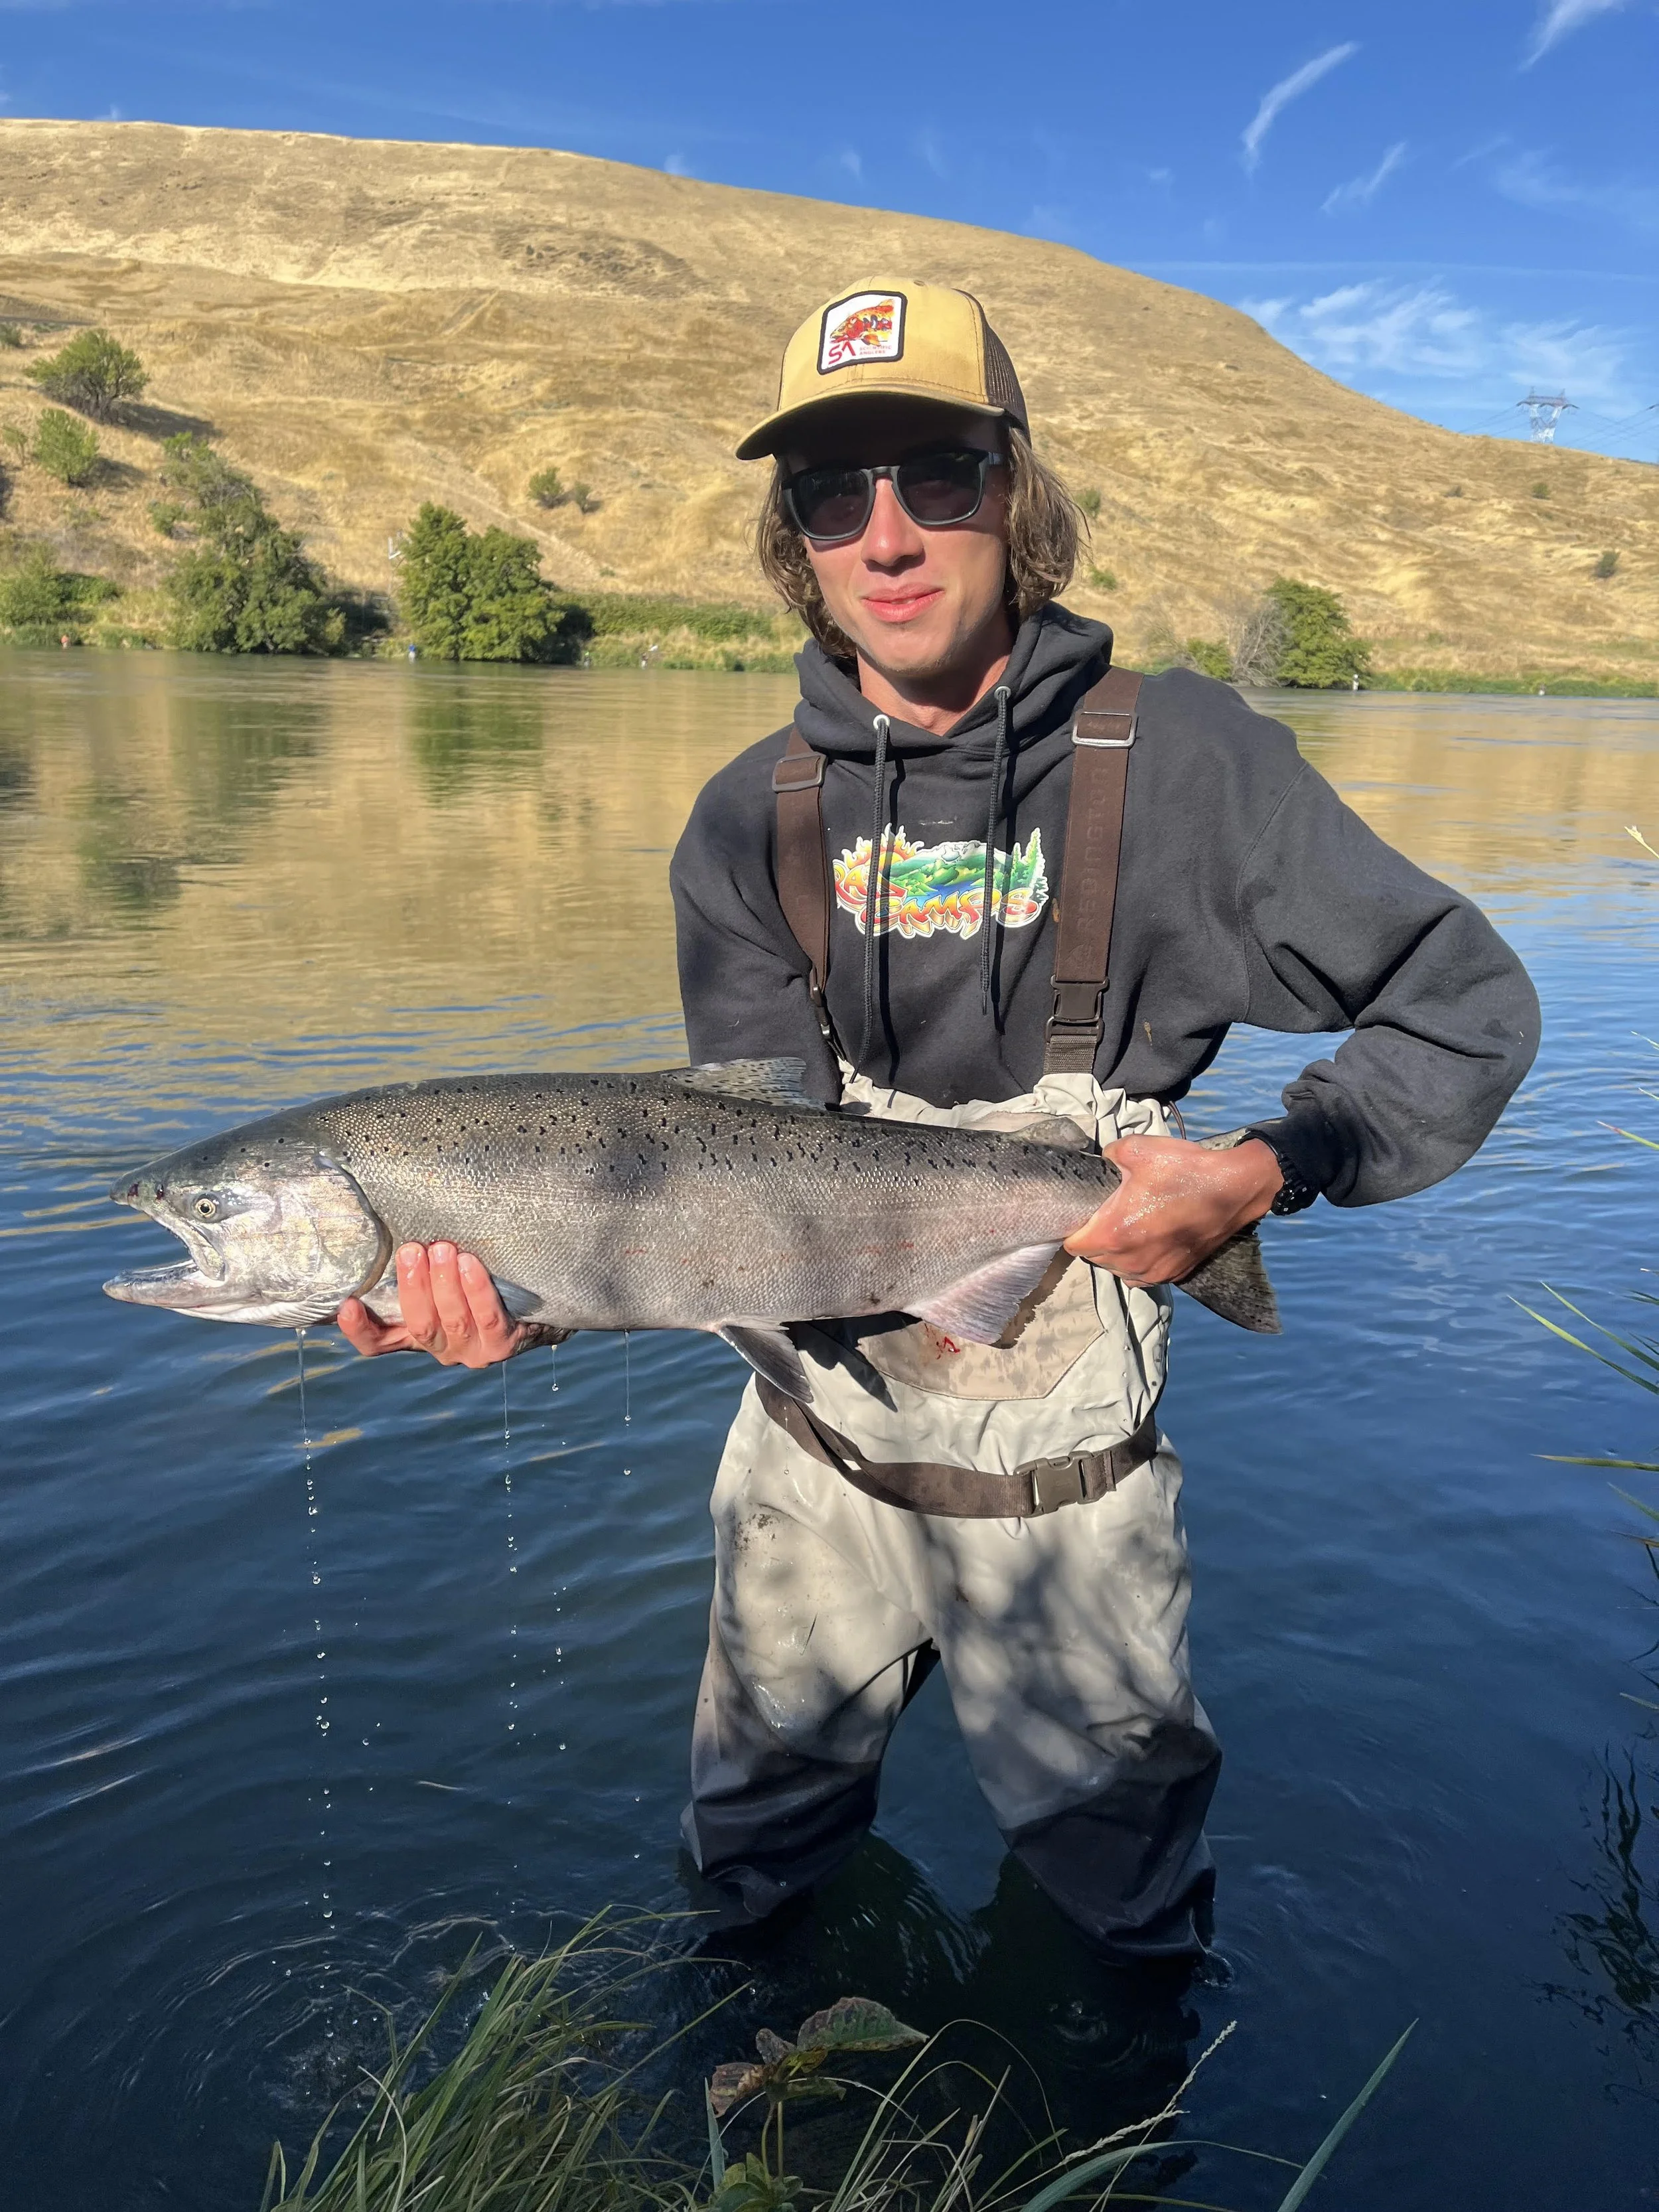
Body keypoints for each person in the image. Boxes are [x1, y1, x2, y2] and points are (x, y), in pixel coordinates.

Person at [338, 281, 1539, 1968]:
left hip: (1061, 1477)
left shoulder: (1184, 762)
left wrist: (1268, 1168)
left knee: (1117, 1916)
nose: (885, 535)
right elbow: (736, 1175)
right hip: (808, 1441)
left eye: (938, 477)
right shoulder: (746, 817)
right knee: (748, 1878)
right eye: (833, 494)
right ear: (793, 540)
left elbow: (1466, 1005)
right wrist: (527, 1282)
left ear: (1017, 496)